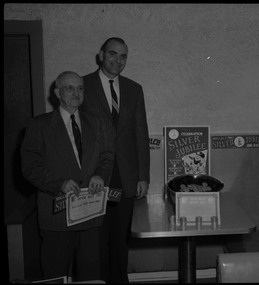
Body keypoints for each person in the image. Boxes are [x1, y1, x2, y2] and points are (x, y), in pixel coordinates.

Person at [20, 71, 114, 281]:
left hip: (90, 214)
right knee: (55, 274)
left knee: (91, 275)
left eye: (80, 88)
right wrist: (59, 183)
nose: (76, 93)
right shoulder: (39, 125)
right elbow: (30, 167)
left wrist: (99, 175)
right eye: (69, 88)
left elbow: (107, 155)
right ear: (57, 93)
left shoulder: (96, 122)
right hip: (57, 215)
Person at [81, 37, 150, 283]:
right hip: (94, 175)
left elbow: (141, 133)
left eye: (123, 56)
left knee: (121, 238)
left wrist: (143, 176)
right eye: (113, 54)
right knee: (96, 238)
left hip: (126, 175)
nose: (118, 60)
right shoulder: (83, 86)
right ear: (101, 55)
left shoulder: (134, 89)